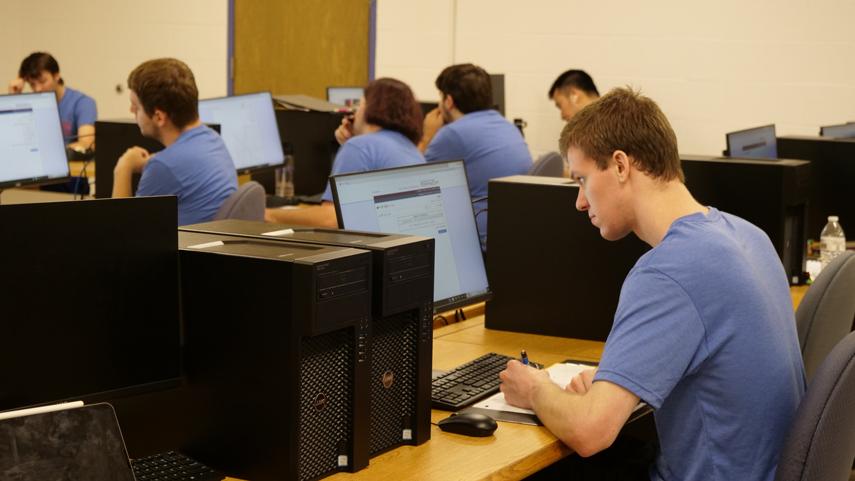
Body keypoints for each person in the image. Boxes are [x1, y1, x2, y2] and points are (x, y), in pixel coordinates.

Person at [500, 88, 805, 481]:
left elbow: (590, 432)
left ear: (621, 165)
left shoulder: (668, 272)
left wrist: (535, 389)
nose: (579, 201)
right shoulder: (747, 236)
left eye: (582, 179)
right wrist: (620, 382)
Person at [266, 77, 425, 228]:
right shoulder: (410, 148)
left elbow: (331, 219)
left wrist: (270, 215)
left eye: (359, 105)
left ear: (370, 109)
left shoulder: (360, 147)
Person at [112, 58, 237, 226]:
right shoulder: (213, 139)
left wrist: (123, 168)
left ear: (159, 117)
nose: (131, 110)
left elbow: (120, 234)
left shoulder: (163, 167)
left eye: (136, 106)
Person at [420, 63, 532, 250]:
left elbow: (415, 186)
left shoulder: (453, 134)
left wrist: (427, 135)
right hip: (511, 235)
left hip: (480, 245)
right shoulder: (507, 125)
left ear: (448, 101)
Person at [9, 52, 97, 152]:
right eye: (32, 84)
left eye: (43, 81)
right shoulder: (32, 106)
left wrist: (48, 153)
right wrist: (14, 97)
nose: (38, 89)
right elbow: (16, 142)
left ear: (56, 76)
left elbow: (86, 143)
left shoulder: (83, 103)